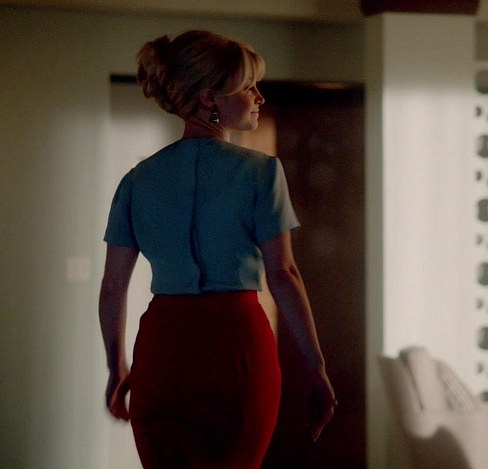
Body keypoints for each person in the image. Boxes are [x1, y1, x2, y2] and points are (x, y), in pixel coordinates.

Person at [98, 30, 336, 468]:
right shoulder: (262, 172)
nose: (259, 97)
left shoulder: (136, 181)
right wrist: (315, 366)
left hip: (162, 351)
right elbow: (283, 274)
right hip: (236, 347)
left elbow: (113, 287)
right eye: (248, 86)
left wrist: (117, 367)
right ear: (210, 98)